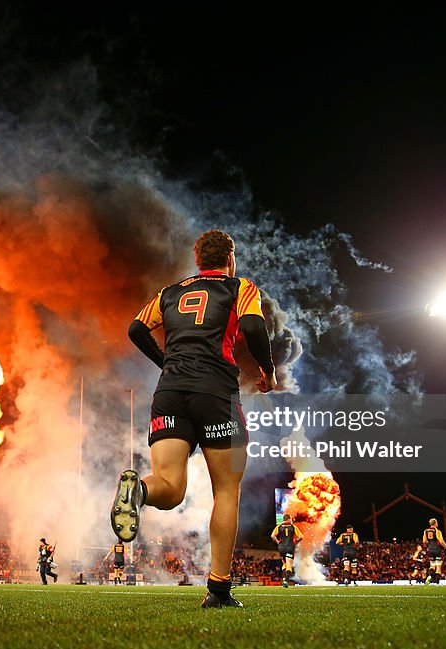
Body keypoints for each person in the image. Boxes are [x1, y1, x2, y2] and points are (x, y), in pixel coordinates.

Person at [113, 229, 277, 609]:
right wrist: (267, 370)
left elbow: (136, 329)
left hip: (169, 393)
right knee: (226, 491)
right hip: (217, 394)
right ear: (230, 258)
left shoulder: (170, 292)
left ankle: (137, 492)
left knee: (169, 488)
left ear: (197, 258)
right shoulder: (241, 287)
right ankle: (219, 590)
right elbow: (253, 327)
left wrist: (165, 362)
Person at [271, 515, 301, 588]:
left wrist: (278, 542)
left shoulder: (279, 526)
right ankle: (286, 581)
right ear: (289, 519)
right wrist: (296, 542)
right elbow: (301, 536)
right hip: (290, 547)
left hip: (281, 548)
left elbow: (272, 536)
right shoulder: (293, 527)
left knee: (284, 564)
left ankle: (284, 579)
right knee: (289, 566)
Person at [421, 518, 446, 585]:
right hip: (437, 550)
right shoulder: (437, 531)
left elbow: (424, 541)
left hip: (430, 550)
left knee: (432, 565)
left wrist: (430, 542)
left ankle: (429, 576)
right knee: (438, 566)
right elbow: (441, 541)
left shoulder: (426, 531)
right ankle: (437, 582)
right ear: (435, 523)